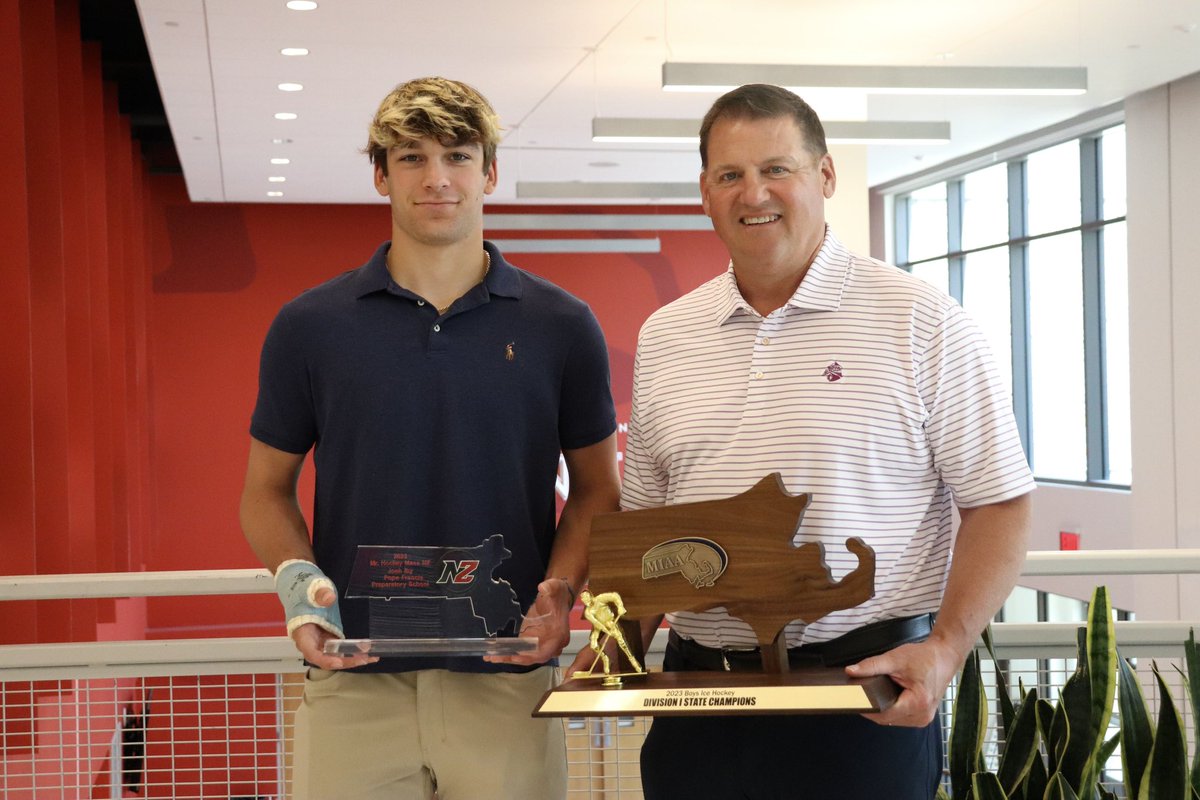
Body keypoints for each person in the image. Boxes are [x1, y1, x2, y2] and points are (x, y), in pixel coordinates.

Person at [621, 84, 1035, 799]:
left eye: (777, 168)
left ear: (826, 176)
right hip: (699, 706)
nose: (755, 192)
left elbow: (999, 503)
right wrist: (611, 646)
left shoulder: (922, 320)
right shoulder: (666, 336)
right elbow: (645, 533)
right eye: (730, 174)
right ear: (705, 191)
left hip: (861, 703)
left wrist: (945, 649)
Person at [239, 76, 620, 800]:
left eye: (458, 155)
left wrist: (561, 591)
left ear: (490, 173)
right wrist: (299, 591)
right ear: (381, 175)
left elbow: (600, 489)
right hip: (354, 681)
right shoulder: (309, 327)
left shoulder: (562, 326)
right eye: (411, 157)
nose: (437, 178)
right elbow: (264, 492)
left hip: (506, 679)